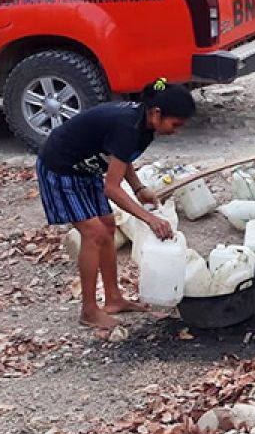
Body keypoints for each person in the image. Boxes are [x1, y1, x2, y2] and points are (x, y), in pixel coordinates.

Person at [35, 79, 195, 329]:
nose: (177, 130)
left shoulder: (144, 127)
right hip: (61, 167)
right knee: (94, 233)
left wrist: (139, 188)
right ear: (157, 113)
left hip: (86, 168)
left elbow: (121, 155)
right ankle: (88, 311)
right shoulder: (128, 126)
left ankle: (113, 298)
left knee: (108, 225)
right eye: (175, 124)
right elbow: (111, 188)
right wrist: (150, 218)